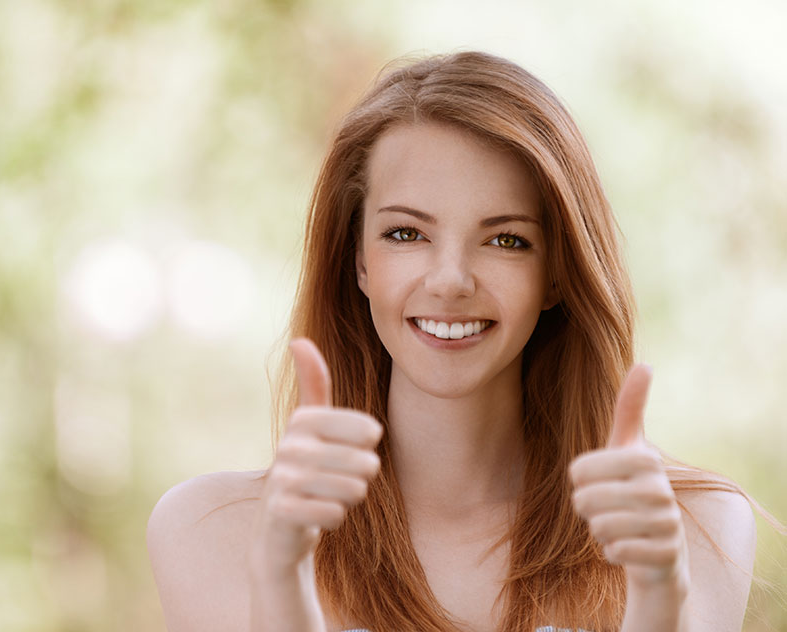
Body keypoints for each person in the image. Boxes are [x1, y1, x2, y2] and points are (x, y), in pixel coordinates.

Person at [146, 51, 768, 631]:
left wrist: (661, 598)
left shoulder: (696, 528)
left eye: (506, 240)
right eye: (406, 234)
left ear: (556, 273)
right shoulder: (209, 531)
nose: (450, 281)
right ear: (357, 261)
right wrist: (280, 580)